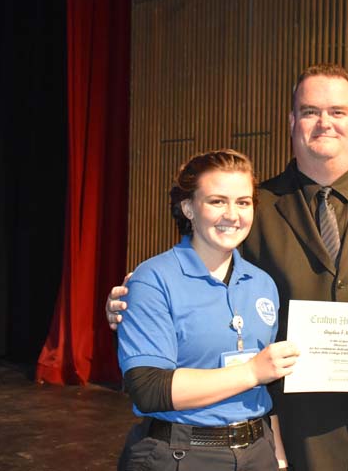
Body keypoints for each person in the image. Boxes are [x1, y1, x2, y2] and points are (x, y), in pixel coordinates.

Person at [108, 64, 348, 470]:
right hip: (290, 435)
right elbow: (206, 282)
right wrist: (133, 300)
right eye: (311, 111)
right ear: (293, 120)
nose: (324, 122)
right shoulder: (252, 207)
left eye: (337, 111)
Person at [115, 149, 299, 471]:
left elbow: (271, 381)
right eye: (217, 201)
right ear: (188, 208)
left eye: (243, 202)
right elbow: (149, 389)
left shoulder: (263, 284)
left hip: (258, 452)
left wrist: (278, 455)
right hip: (179, 454)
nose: (232, 214)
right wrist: (251, 371)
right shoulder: (153, 279)